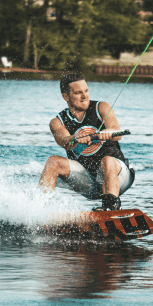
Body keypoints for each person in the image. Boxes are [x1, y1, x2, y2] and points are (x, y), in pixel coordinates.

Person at [39, 73, 135, 211]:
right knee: (53, 162)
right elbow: (64, 141)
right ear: (66, 97)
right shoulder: (57, 122)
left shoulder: (101, 107)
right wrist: (76, 139)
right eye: (78, 93)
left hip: (118, 177)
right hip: (88, 182)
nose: (84, 96)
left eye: (86, 91)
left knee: (107, 161)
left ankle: (110, 208)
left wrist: (106, 133)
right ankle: (40, 210)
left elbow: (116, 132)